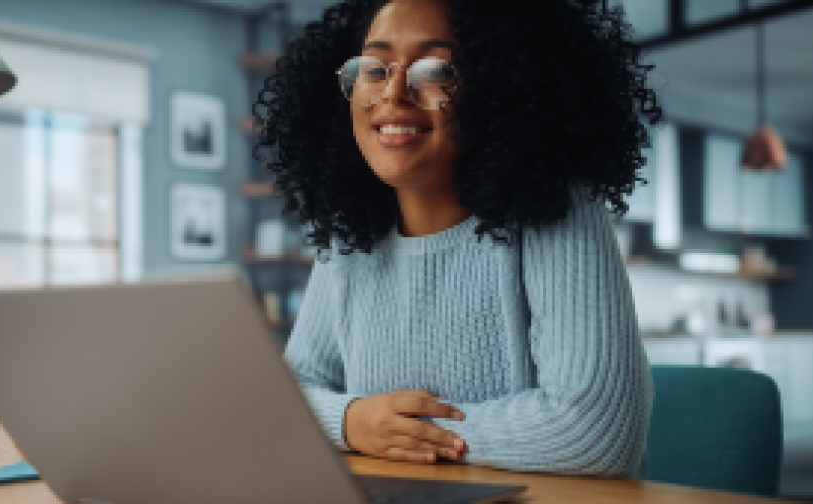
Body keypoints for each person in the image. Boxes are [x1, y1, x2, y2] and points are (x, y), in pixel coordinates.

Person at [253, 0, 662, 478]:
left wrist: (398, 431)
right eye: (374, 68)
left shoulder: (554, 209)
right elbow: (290, 394)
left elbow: (597, 432)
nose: (395, 91)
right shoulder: (349, 238)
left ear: (502, 86)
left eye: (435, 70)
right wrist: (349, 422)